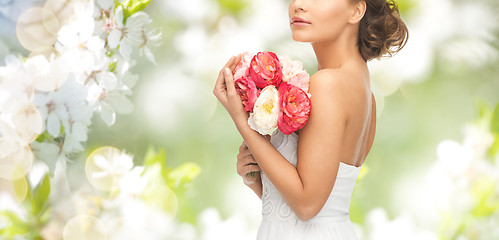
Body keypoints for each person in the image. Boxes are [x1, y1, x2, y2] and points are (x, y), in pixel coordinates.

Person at [213, 0, 408, 238]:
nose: (299, 5)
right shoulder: (364, 91)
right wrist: (257, 178)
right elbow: (320, 202)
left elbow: (307, 205)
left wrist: (242, 121)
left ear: (356, 10)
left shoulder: (327, 84)